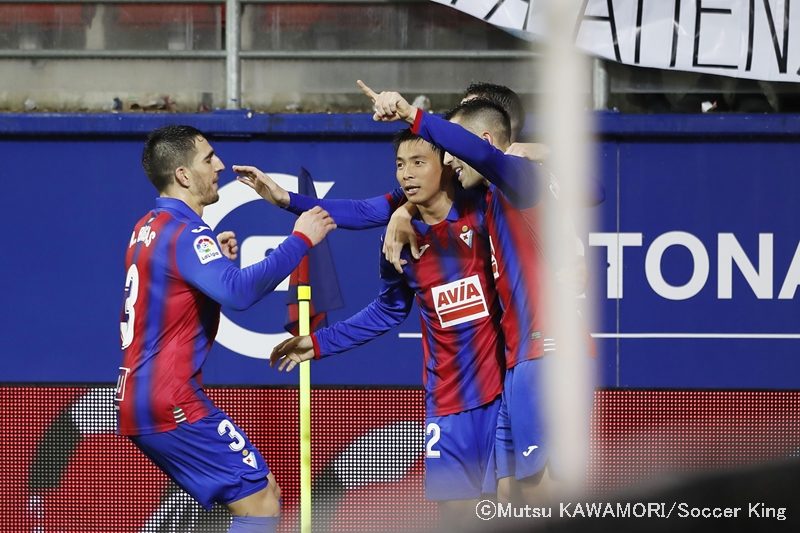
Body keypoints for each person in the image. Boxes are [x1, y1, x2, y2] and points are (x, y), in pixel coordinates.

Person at [261, 129, 507, 529]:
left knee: (514, 511)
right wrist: (319, 343)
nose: (406, 174)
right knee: (458, 520)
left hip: (503, 395)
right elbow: (387, 309)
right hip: (448, 404)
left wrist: (401, 212)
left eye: (418, 162)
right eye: (399, 164)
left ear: (447, 165)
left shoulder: (484, 208)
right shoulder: (398, 244)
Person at [114, 124, 336, 533]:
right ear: (183, 175)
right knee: (261, 502)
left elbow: (174, 295)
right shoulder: (186, 231)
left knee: (261, 493)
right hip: (172, 397)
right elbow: (239, 292)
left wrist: (213, 266)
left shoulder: (147, 226)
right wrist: (300, 239)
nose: (219, 165)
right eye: (208, 158)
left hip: (137, 395)